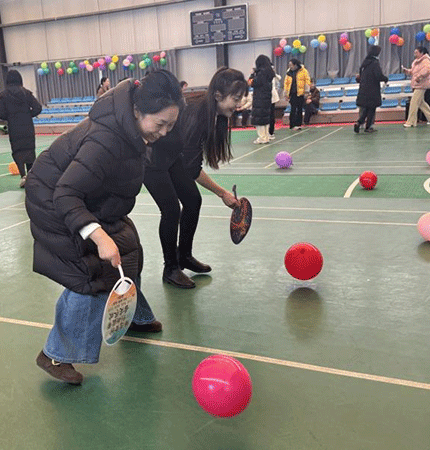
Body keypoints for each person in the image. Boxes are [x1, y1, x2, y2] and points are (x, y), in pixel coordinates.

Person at [25, 71, 185, 384]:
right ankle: (55, 354)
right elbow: (65, 194)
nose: (165, 132)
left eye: (171, 125)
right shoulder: (106, 140)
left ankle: (134, 316)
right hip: (53, 202)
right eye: (160, 124)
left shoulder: (132, 131)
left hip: (92, 201)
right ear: (137, 110)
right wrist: (97, 236)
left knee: (129, 248)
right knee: (92, 273)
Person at [144, 68, 246, 289]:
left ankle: (184, 256)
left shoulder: (211, 115)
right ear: (218, 95)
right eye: (236, 98)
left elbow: (190, 164)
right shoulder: (197, 115)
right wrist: (222, 193)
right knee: (171, 210)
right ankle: (171, 268)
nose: (239, 104)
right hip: (150, 158)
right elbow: (192, 169)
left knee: (192, 200)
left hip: (171, 155)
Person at [0, 70, 42, 188]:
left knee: (17, 151)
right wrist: (28, 115)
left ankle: (23, 176)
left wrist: (10, 117)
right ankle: (31, 176)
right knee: (29, 150)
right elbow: (38, 108)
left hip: (14, 127)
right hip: (27, 126)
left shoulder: (3, 95)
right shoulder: (27, 93)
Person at [354, 45, 388, 133]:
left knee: (366, 108)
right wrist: (385, 78)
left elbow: (360, 76)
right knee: (372, 109)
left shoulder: (364, 63)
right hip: (373, 89)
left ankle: (359, 122)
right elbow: (378, 75)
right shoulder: (375, 63)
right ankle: (368, 126)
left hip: (363, 88)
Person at [402, 47, 430, 127]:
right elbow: (413, 71)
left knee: (414, 103)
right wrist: (407, 71)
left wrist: (419, 76)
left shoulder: (426, 61)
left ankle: (411, 121)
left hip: (422, 84)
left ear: (422, 53)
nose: (415, 54)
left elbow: (428, 70)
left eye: (416, 52)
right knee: (421, 103)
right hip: (417, 84)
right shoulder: (416, 61)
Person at [250, 55, 275, 144]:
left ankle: (262, 138)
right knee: (266, 118)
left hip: (259, 98)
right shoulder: (270, 73)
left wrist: (252, 75)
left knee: (259, 118)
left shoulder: (261, 73)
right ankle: (266, 136)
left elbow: (252, 83)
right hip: (267, 97)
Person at [283, 59, 311, 130]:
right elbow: (286, 83)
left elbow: (307, 81)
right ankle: (292, 125)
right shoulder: (288, 72)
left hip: (300, 93)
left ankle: (298, 124)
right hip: (292, 93)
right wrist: (286, 93)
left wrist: (306, 91)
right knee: (293, 109)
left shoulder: (304, 71)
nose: (290, 66)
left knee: (299, 109)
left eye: (291, 65)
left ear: (295, 65)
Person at [270, 66, 281, 140]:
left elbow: (279, 78)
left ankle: (271, 131)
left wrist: (274, 73)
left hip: (272, 97)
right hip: (265, 97)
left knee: (271, 114)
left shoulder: (274, 76)